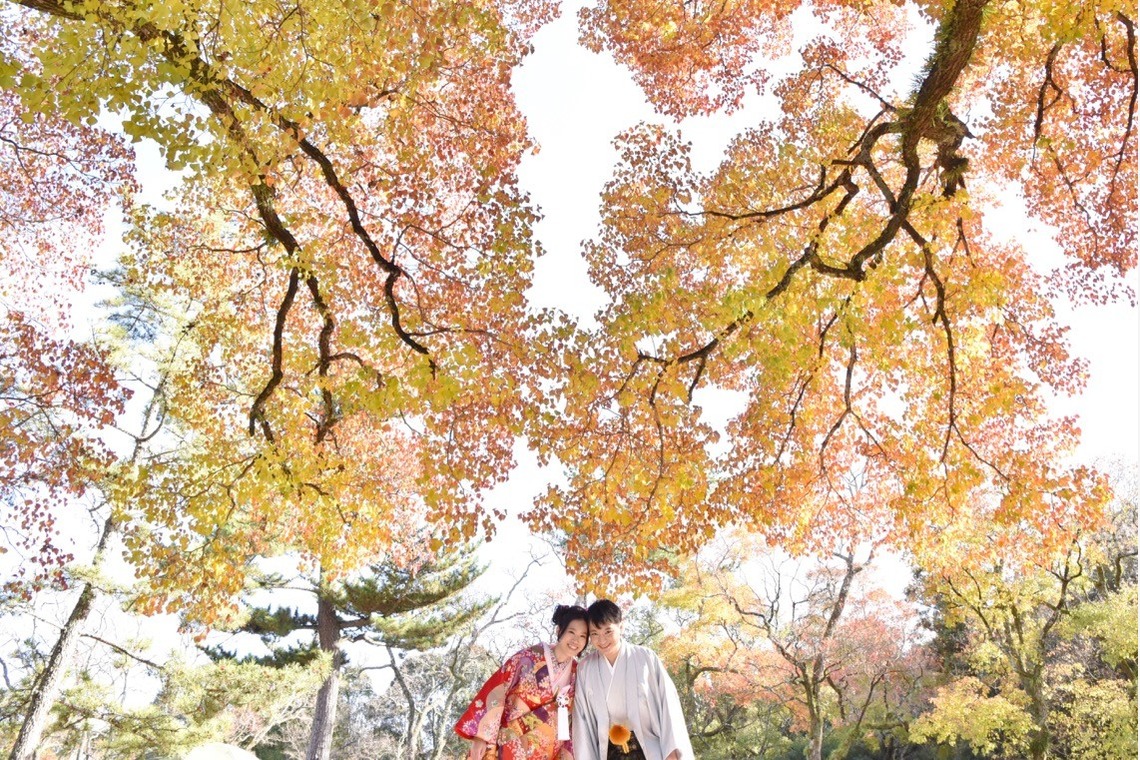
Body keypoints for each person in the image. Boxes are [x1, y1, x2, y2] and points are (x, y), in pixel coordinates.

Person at [455, 604, 589, 760]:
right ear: (559, 631)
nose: (576, 640)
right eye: (571, 632)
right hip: (509, 745)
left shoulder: (579, 673)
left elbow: (576, 723)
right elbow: (498, 688)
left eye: (582, 636)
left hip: (547, 753)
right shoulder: (528, 658)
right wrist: (481, 737)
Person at [572, 600, 692, 760]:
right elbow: (582, 720)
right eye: (595, 634)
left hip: (649, 748)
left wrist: (672, 750)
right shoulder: (585, 668)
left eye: (608, 631)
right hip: (607, 752)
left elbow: (668, 705)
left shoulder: (646, 658)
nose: (602, 640)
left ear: (621, 626)